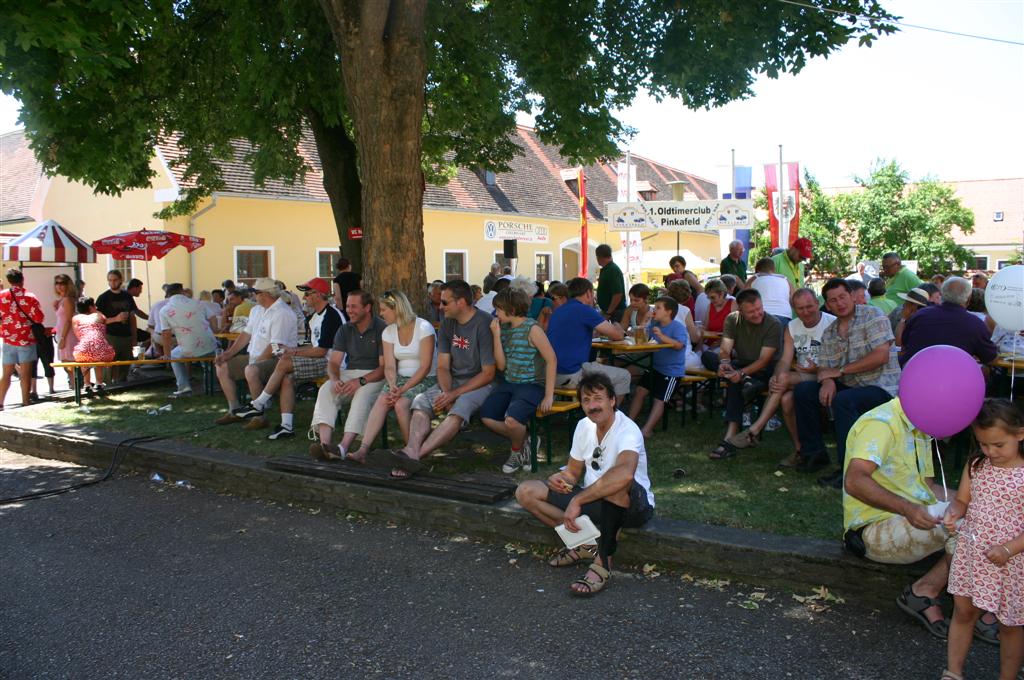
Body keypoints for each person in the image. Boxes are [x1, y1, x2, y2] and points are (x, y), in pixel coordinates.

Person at [514, 372, 655, 597]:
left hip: (632, 506)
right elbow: (573, 471)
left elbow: (625, 474)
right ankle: (586, 546)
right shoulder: (583, 426)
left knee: (616, 483)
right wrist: (560, 479)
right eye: (586, 400)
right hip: (594, 500)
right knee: (526, 491)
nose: (592, 406)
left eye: (598, 398)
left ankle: (603, 562)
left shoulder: (627, 429)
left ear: (612, 401)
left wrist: (577, 500)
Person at [842, 395, 962, 643]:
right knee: (969, 526)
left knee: (990, 516)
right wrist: (907, 508)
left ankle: (987, 612)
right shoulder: (881, 423)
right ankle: (927, 591)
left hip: (908, 519)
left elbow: (928, 490)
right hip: (872, 531)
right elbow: (855, 481)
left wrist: (978, 501)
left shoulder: (920, 424)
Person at [942, 399, 1023, 680]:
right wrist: (954, 512)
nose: (990, 452)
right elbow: (963, 500)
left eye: (998, 445)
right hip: (973, 552)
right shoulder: (977, 464)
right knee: (963, 611)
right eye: (984, 444)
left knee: (1010, 624)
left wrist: (1008, 548)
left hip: (1013, 561)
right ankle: (953, 671)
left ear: (1020, 434)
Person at [379, 280, 496, 474]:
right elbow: (442, 366)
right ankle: (411, 449)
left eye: (445, 302)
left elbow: (488, 373)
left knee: (460, 408)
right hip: (453, 381)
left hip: (481, 383)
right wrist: (447, 392)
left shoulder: (483, 323)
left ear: (461, 302)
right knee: (420, 402)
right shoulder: (448, 323)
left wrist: (454, 394)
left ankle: (414, 456)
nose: (440, 307)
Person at [793, 278, 901, 486]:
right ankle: (814, 454)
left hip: (882, 386)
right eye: (833, 300)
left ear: (852, 296)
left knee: (843, 401)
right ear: (827, 305)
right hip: (851, 385)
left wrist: (839, 371)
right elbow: (824, 368)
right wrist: (828, 382)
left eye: (842, 297)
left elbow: (881, 356)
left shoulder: (872, 315)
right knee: (805, 390)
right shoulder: (830, 332)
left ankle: (848, 471)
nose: (839, 303)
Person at [726, 288, 836, 465]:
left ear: (817, 303)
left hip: (827, 377)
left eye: (809, 306)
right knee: (785, 397)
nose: (805, 312)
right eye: (800, 308)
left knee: (783, 379)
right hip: (802, 375)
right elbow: (784, 360)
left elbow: (839, 360)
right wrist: (776, 375)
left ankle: (754, 430)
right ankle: (800, 450)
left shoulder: (832, 323)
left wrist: (817, 368)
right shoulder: (792, 326)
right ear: (793, 308)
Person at [241, 278, 345, 440]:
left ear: (318, 295)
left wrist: (293, 352)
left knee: (285, 362)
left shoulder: (331, 316)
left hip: (336, 364)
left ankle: (259, 403)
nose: (304, 298)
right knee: (287, 377)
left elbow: (320, 351)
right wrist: (292, 350)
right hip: (325, 360)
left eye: (307, 294)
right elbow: (315, 348)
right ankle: (286, 426)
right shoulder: (314, 317)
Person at [347, 290, 436, 470]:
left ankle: (410, 451)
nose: (380, 313)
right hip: (399, 379)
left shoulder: (423, 327)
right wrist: (393, 385)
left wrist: (402, 391)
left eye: (384, 309)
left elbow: (425, 366)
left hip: (426, 378)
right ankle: (363, 449)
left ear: (397, 309)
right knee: (382, 400)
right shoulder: (388, 331)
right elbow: (389, 366)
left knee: (401, 403)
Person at [480, 287, 557, 474]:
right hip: (509, 382)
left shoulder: (533, 329)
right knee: (487, 417)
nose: (495, 313)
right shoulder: (503, 329)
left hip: (531, 384)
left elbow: (552, 360)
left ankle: (517, 452)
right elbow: (501, 366)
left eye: (498, 309)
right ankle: (528, 441)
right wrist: (497, 336)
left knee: (513, 422)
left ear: (512, 310)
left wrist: (549, 395)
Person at [306, 290, 386, 458]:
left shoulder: (381, 328)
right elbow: (334, 362)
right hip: (349, 373)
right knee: (327, 389)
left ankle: (342, 448)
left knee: (362, 395)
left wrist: (360, 381)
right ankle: (325, 446)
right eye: (348, 306)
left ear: (367, 308)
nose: (349, 310)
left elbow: (383, 368)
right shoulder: (345, 329)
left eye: (354, 306)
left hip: (375, 375)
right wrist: (335, 379)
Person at [213, 277, 298, 427]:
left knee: (251, 370)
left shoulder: (282, 312)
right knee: (222, 366)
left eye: (255, 292)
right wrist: (228, 354)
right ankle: (235, 410)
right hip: (256, 357)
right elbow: (246, 334)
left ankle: (259, 417)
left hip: (278, 360)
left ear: (265, 294)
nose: (252, 296)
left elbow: (275, 346)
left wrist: (254, 363)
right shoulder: (256, 310)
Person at [707, 289, 781, 459]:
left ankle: (729, 437)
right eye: (751, 311)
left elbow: (764, 361)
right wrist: (725, 364)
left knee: (734, 381)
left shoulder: (773, 324)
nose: (757, 314)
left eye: (759, 308)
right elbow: (725, 348)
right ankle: (745, 381)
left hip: (765, 370)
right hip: (741, 365)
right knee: (708, 357)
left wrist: (739, 373)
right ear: (740, 310)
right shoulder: (733, 319)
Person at [547, 277, 631, 402]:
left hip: (551, 375)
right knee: (624, 376)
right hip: (572, 374)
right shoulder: (584, 310)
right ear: (588, 293)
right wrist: (619, 328)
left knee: (599, 368)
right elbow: (616, 335)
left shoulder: (559, 311)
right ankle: (608, 418)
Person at [899, 276, 997, 368]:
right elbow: (989, 357)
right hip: (955, 380)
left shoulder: (920, 315)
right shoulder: (976, 324)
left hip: (915, 376)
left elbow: (904, 343)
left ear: (942, 294)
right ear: (968, 298)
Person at [627, 296, 688, 438]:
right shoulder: (654, 323)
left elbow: (679, 345)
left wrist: (662, 336)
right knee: (640, 391)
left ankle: (646, 430)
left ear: (669, 312)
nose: (654, 310)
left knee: (660, 399)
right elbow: (639, 335)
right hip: (655, 367)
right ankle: (628, 423)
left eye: (658, 308)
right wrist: (646, 319)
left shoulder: (677, 326)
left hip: (671, 371)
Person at [159, 283, 218, 398]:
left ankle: (184, 387)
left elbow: (166, 334)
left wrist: (167, 355)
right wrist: (215, 331)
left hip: (188, 348)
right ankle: (213, 386)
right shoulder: (198, 302)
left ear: (168, 295)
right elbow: (213, 317)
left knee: (174, 357)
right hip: (210, 343)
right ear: (182, 292)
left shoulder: (164, 310)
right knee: (208, 362)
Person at [0, 268, 45, 408]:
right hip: (26, 338)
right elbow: (39, 318)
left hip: (8, 339)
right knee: (25, 373)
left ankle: (0, 402)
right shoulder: (30, 296)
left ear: (8, 280)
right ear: (22, 279)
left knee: (6, 374)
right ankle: (25, 401)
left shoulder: (1, 296)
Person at [95, 269, 137, 381]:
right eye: (110, 280)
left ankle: (122, 385)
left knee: (124, 364)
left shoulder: (127, 296)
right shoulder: (103, 298)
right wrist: (115, 319)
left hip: (126, 335)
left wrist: (134, 337)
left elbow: (132, 317)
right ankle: (107, 386)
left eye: (115, 280)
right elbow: (98, 319)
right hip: (111, 335)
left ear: (120, 280)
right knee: (109, 364)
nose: (112, 282)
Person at [70, 297, 116, 392]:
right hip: (102, 351)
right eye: (94, 305)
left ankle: (87, 384)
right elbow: (102, 333)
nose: (96, 306)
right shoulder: (99, 316)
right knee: (98, 350)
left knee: (83, 354)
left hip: (85, 351)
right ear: (91, 307)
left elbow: (78, 335)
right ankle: (99, 382)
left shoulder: (76, 318)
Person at [698, 279, 736, 364]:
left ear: (722, 294)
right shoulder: (710, 306)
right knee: (697, 356)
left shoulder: (733, 304)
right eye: (709, 297)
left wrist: (714, 346)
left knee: (709, 357)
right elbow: (705, 328)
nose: (711, 300)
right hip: (710, 344)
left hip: (726, 345)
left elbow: (734, 331)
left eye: (713, 297)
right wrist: (699, 346)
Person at [748, 256, 794, 324]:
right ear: (774, 269)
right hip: (784, 316)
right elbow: (794, 299)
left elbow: (742, 296)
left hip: (761, 316)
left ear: (756, 270)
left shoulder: (754, 278)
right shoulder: (785, 279)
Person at [594, 243, 626, 323]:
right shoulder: (607, 269)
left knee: (615, 333)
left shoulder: (612, 270)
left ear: (599, 257)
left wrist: (608, 312)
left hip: (615, 313)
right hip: (610, 311)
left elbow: (618, 294)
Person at [53, 274, 78, 367]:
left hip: (68, 335)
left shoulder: (67, 299)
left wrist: (63, 338)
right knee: (66, 365)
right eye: (57, 283)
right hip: (62, 334)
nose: (59, 285)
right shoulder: (62, 300)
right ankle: (72, 382)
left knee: (70, 364)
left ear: (68, 285)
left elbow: (68, 320)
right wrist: (56, 308)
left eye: (62, 283)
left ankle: (74, 382)